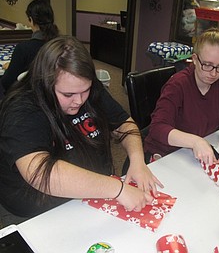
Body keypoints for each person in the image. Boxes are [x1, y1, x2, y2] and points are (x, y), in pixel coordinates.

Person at [0, 35, 163, 218]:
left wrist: (137, 160)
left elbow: (124, 124)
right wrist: (117, 189)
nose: (78, 101)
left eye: (85, 90)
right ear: (45, 83)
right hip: (39, 212)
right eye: (68, 94)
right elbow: (40, 174)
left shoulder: (85, 88)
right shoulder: (21, 108)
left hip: (95, 192)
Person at [144, 28, 219, 169]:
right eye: (207, 65)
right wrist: (196, 141)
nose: (214, 73)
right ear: (195, 60)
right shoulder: (178, 84)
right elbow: (157, 128)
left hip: (192, 154)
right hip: (166, 154)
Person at [0, 0, 59, 94]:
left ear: (31, 20)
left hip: (27, 97)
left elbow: (7, 82)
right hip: (52, 94)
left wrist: (11, 67)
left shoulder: (24, 49)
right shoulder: (59, 44)